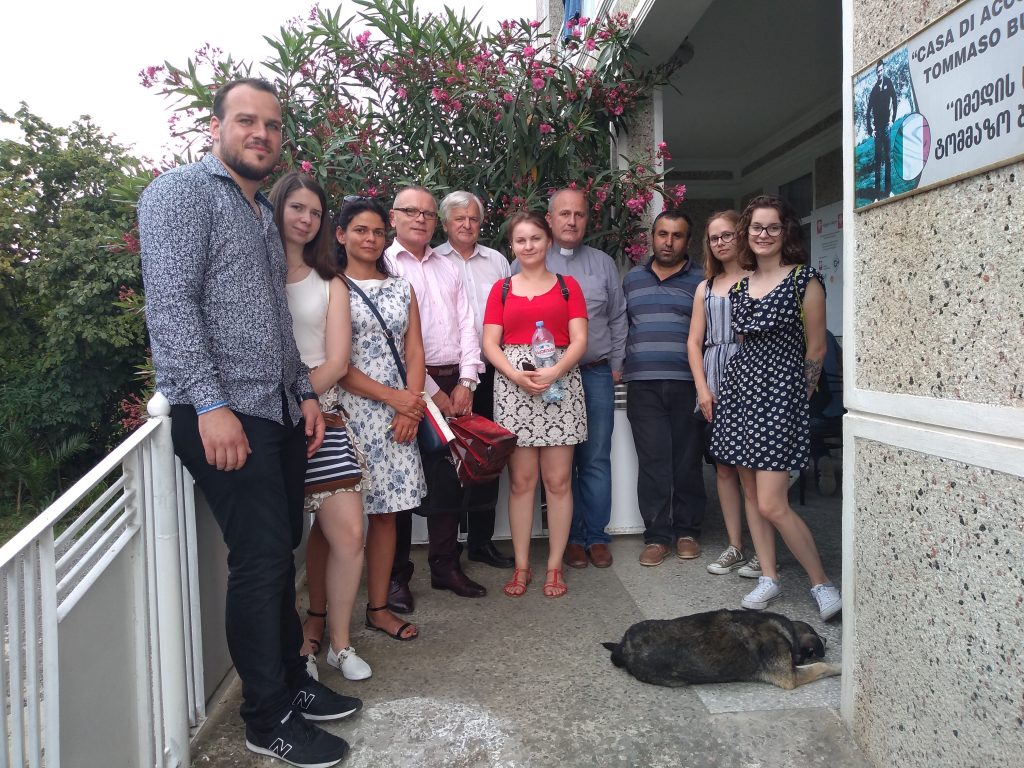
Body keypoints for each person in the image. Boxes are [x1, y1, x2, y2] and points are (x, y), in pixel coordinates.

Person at [139, 78, 358, 768]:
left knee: (279, 552)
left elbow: (272, 319)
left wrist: (303, 394)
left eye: (271, 124)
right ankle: (267, 718)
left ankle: (291, 682)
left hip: (277, 408)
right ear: (216, 127)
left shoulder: (261, 210)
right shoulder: (180, 194)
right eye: (245, 120)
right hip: (225, 413)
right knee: (260, 563)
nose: (260, 133)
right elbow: (171, 306)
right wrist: (210, 405)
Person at [710, 195, 842, 621]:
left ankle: (821, 583)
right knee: (750, 493)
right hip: (741, 392)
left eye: (772, 227)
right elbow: (745, 344)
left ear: (786, 232)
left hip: (780, 396)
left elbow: (816, 349)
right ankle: (768, 576)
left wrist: (794, 400)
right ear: (746, 233)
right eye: (756, 227)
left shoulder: (805, 280)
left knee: (772, 502)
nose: (763, 235)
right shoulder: (741, 286)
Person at [270, 172, 372, 682]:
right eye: (297, 208)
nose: (306, 219)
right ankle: (297, 651)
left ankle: (339, 644)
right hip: (265, 420)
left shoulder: (330, 281)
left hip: (323, 415)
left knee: (349, 533)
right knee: (276, 545)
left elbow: (337, 360)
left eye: (315, 211)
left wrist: (301, 395)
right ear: (277, 209)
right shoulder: (252, 272)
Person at [384, 185, 487, 609]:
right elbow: (391, 340)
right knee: (400, 484)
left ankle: (445, 566)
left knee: (449, 482)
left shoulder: (447, 266)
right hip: (405, 388)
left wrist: (467, 382)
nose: (421, 219)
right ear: (393, 217)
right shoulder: (384, 265)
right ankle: (395, 577)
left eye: (427, 213)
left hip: (454, 383)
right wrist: (431, 393)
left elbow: (467, 325)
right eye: (411, 211)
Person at [516, 187, 626, 569]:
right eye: (564, 214)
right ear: (549, 219)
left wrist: (616, 364)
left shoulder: (602, 264)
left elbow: (618, 316)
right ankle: (572, 539)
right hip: (545, 380)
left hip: (593, 373)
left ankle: (595, 536)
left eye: (579, 214)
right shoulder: (526, 261)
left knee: (594, 458)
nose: (572, 221)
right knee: (558, 466)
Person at [482, 211, 588, 598]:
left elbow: (579, 339)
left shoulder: (567, 286)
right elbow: (490, 342)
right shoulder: (501, 289)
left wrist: (555, 370)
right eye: (520, 240)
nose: (528, 246)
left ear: (548, 242)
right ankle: (523, 565)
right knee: (522, 483)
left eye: (535, 238)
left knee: (558, 482)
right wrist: (515, 375)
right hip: (514, 388)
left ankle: (555, 566)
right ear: (512, 245)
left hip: (561, 385)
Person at [335, 197, 427, 642]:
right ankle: (320, 617)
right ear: (341, 235)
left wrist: (411, 406)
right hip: (347, 414)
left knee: (388, 514)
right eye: (360, 230)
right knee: (336, 521)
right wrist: (398, 400)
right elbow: (337, 364)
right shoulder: (331, 286)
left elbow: (415, 351)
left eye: (376, 231)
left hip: (397, 417)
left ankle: (378, 609)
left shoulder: (401, 288)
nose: (370, 239)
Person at [621, 210, 707, 566]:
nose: (668, 242)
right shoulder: (632, 280)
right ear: (652, 237)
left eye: (677, 235)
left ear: (688, 241)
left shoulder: (702, 281)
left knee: (687, 461)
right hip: (643, 384)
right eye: (662, 234)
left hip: (689, 383)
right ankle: (657, 537)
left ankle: (687, 531)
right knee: (653, 461)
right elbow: (621, 326)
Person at [435, 190, 515, 569]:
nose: (467, 225)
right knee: (448, 461)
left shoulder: (497, 261)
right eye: (459, 218)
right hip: (449, 377)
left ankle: (481, 541)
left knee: (489, 455)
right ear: (445, 223)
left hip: (493, 373)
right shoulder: (433, 261)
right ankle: (447, 548)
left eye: (473, 219)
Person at [686, 210, 759, 577]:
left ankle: (763, 550)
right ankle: (735, 546)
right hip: (714, 375)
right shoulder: (706, 287)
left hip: (750, 375)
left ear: (741, 235)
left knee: (752, 471)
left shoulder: (759, 278)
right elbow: (693, 342)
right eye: (714, 238)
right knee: (724, 469)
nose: (720, 242)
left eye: (727, 235)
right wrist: (702, 389)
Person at [866, 59, 898, 200]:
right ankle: (877, 195)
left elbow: (895, 100)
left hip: (886, 127)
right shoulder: (874, 90)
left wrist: (893, 120)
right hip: (877, 130)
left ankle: (888, 191)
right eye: (878, 71)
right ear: (876, 73)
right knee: (878, 162)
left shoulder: (888, 83)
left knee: (888, 159)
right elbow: (868, 111)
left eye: (881, 70)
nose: (880, 73)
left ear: (883, 70)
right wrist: (870, 130)